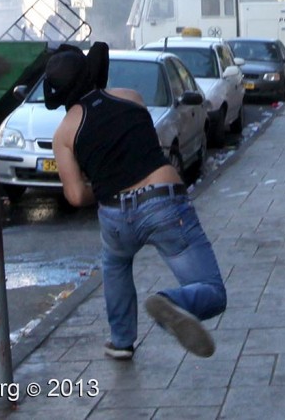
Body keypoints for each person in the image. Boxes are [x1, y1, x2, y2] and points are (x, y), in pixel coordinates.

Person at [44, 42, 226, 360]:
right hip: (163, 203)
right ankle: (174, 302)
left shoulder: (63, 134)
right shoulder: (131, 98)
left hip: (115, 214)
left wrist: (97, 188)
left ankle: (122, 340)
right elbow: (143, 146)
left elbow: (75, 196)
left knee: (115, 262)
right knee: (212, 291)